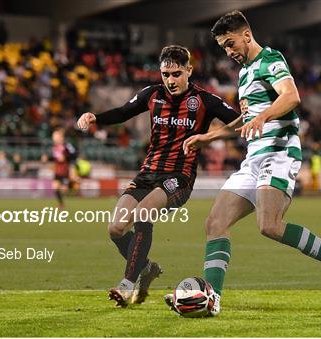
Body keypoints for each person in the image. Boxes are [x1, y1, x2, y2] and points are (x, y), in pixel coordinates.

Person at [166, 11, 321, 316]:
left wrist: (264, 116)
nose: (229, 51)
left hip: (280, 151)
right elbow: (246, 118)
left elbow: (291, 96)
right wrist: (211, 136)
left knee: (269, 226)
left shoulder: (271, 59)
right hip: (254, 158)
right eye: (223, 47)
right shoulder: (245, 73)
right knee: (215, 223)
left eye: (231, 43)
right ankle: (213, 298)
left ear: (246, 35)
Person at [76, 45, 241, 307]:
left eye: (176, 74)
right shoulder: (152, 95)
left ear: (189, 70)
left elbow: (240, 122)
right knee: (116, 228)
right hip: (148, 173)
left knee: (143, 213)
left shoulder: (205, 100)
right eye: (165, 74)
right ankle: (147, 268)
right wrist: (94, 116)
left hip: (180, 176)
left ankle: (127, 285)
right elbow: (122, 112)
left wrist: (209, 137)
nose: (170, 80)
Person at [49, 128, 76, 208]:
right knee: (55, 187)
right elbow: (55, 158)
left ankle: (72, 186)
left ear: (61, 137)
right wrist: (47, 158)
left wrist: (66, 157)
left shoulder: (67, 145)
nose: (54, 138)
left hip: (65, 170)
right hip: (57, 171)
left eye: (55, 136)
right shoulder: (55, 147)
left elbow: (74, 154)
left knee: (64, 189)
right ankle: (61, 204)